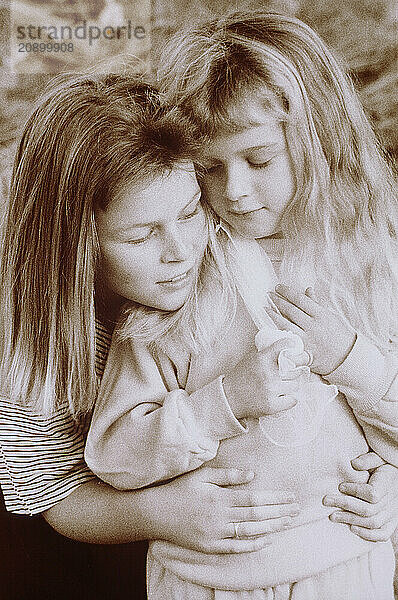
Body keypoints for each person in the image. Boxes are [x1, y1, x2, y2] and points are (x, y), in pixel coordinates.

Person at [83, 11, 398, 600]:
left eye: (258, 159)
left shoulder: (372, 260)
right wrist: (222, 402)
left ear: (316, 143)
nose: (234, 191)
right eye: (209, 167)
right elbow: (115, 455)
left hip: (345, 564)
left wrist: (352, 360)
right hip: (208, 580)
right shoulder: (178, 281)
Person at [0, 73, 306, 598]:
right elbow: (46, 496)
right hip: (70, 551)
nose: (180, 252)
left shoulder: (214, 245)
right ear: (77, 244)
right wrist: (157, 513)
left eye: (190, 213)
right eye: (140, 236)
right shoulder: (33, 343)